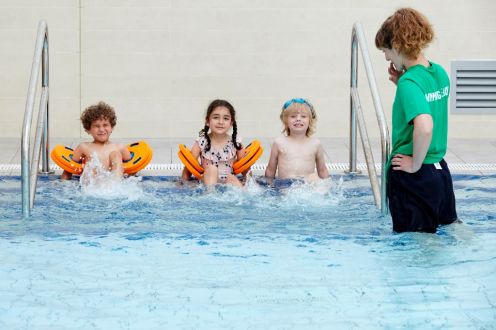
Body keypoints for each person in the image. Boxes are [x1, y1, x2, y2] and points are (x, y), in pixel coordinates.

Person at [375, 8, 457, 233]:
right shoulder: (438, 72)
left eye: (386, 51)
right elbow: (430, 106)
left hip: (414, 175)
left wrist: (415, 163)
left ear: (399, 46)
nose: (386, 57)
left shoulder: (409, 84)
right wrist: (403, 84)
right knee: (450, 229)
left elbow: (425, 126)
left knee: (415, 247)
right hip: (440, 173)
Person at [181, 99, 247, 187]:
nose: (220, 122)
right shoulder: (201, 142)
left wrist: (247, 185)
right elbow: (188, 169)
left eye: (226, 118)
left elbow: (246, 171)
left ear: (231, 123)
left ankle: (238, 197)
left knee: (232, 178)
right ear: (208, 121)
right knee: (212, 170)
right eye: (216, 117)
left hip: (228, 184)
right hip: (207, 181)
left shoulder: (236, 143)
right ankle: (210, 196)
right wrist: (183, 185)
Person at [61, 101, 131, 180]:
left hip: (114, 188)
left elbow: (131, 174)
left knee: (115, 154)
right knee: (93, 157)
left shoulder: (120, 147)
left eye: (105, 125)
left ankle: (115, 185)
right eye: (96, 126)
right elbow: (67, 172)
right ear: (88, 129)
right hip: (91, 188)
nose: (101, 129)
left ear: (112, 127)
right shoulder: (83, 147)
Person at [264, 98, 329, 184]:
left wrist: (328, 186)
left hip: (307, 186)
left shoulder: (315, 144)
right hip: (285, 186)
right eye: (293, 116)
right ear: (286, 121)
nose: (298, 119)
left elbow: (322, 170)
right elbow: (270, 170)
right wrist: (268, 187)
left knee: (313, 177)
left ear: (310, 121)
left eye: (303, 116)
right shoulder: (279, 143)